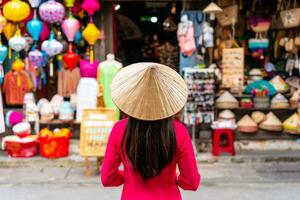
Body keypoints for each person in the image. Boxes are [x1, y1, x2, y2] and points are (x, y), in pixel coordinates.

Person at [101, 62, 200, 200]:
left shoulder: (119, 129)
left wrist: (127, 177)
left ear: (132, 97)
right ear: (167, 99)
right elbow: (192, 182)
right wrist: (174, 180)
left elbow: (107, 179)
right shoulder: (179, 131)